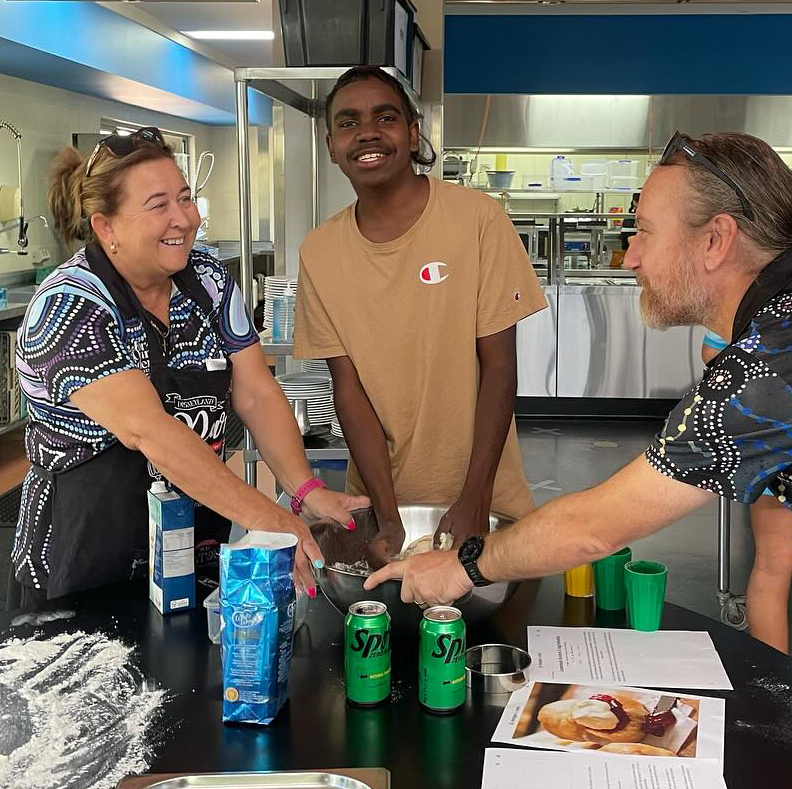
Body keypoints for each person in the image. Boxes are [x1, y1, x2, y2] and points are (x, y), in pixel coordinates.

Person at [367, 131, 792, 654]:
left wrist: (462, 566)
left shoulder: (765, 367)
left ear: (715, 240)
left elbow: (594, 528)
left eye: (643, 232)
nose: (630, 257)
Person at [9, 127, 367, 609]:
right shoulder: (70, 307)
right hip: (87, 554)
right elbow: (149, 431)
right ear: (105, 228)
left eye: (185, 198)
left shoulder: (207, 278)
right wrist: (270, 517)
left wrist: (303, 491)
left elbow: (256, 392)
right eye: (158, 205)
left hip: (192, 542)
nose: (185, 218)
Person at [294, 67, 546, 567]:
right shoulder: (319, 252)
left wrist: (474, 498)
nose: (367, 132)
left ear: (412, 134)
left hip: (485, 503)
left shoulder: (478, 220)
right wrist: (389, 517)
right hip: (378, 513)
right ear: (330, 145)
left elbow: (499, 367)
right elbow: (349, 390)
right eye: (349, 122)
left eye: (384, 117)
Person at [702, 331, 792, 651]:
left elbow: (712, 354)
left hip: (777, 444)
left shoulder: (759, 294)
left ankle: (775, 687)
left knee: (772, 572)